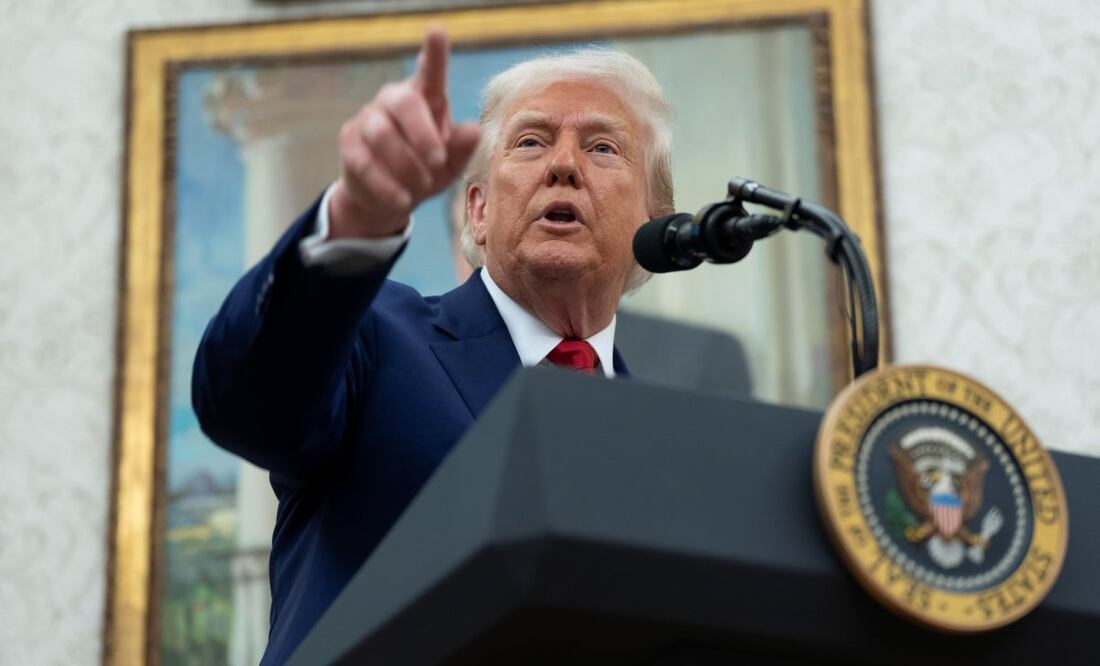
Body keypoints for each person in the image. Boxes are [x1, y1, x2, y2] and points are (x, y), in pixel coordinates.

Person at [194, 26, 677, 664]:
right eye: (531, 141)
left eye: (603, 146)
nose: (564, 164)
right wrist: (355, 221)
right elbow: (247, 401)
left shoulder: (669, 452)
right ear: (477, 210)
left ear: (654, 222)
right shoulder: (375, 338)